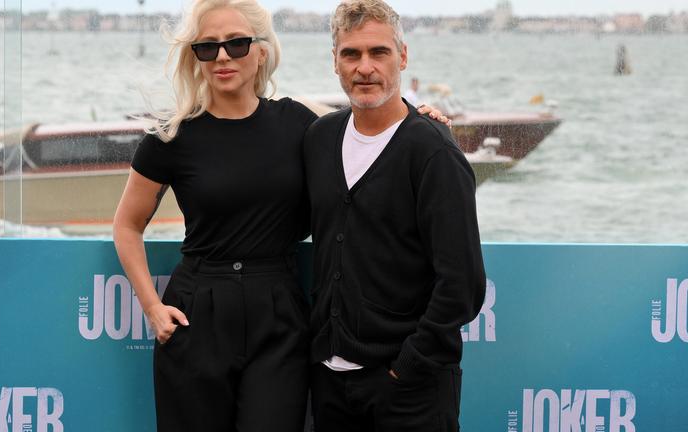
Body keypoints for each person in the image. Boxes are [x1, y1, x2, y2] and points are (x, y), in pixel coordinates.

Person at [112, 1, 449, 431]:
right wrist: (152, 307)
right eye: (207, 47)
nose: (222, 57)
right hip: (198, 311)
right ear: (193, 56)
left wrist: (424, 122)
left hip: (280, 312)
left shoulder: (299, 124)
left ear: (261, 51)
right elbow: (127, 224)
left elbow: (370, 133)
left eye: (236, 44)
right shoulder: (172, 136)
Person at [303, 1, 486, 431]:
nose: (364, 67)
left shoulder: (433, 152)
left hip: (409, 390)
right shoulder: (319, 138)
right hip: (329, 385)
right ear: (334, 62)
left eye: (378, 52)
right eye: (350, 54)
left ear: (402, 56)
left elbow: (463, 284)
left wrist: (407, 367)